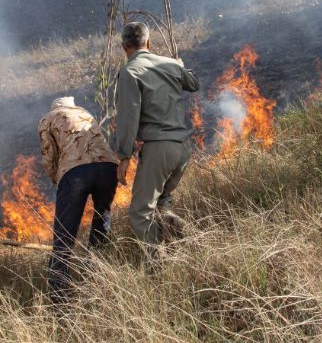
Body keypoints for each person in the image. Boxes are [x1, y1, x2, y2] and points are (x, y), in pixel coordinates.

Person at [112, 22, 200, 248]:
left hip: (159, 148)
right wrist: (179, 65)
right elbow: (193, 83)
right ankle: (193, 244)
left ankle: (157, 268)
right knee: (162, 205)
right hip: (182, 147)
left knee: (141, 214)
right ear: (148, 43)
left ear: (124, 47)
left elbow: (128, 117)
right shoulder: (170, 64)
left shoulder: (130, 71)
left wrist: (123, 156)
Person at [38, 96, 119, 301]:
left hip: (75, 173)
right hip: (108, 168)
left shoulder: (48, 118)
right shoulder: (85, 113)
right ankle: (98, 275)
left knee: (64, 235)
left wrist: (58, 178)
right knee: (102, 220)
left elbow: (48, 155)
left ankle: (59, 295)